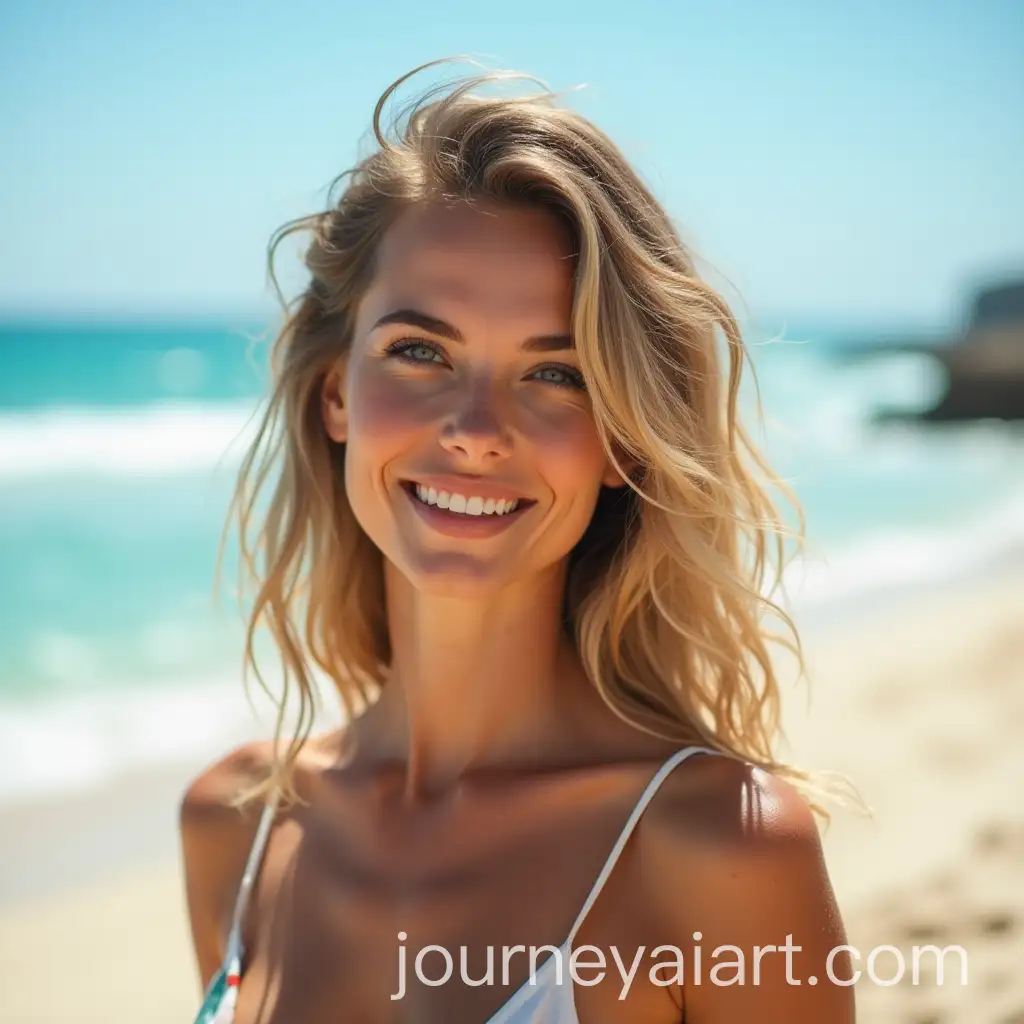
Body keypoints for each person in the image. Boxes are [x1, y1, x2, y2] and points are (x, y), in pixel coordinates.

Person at [180, 59, 855, 1024]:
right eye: (420, 351)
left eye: (557, 374)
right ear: (337, 393)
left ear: (622, 438)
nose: (475, 427)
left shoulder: (722, 850)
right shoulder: (234, 829)